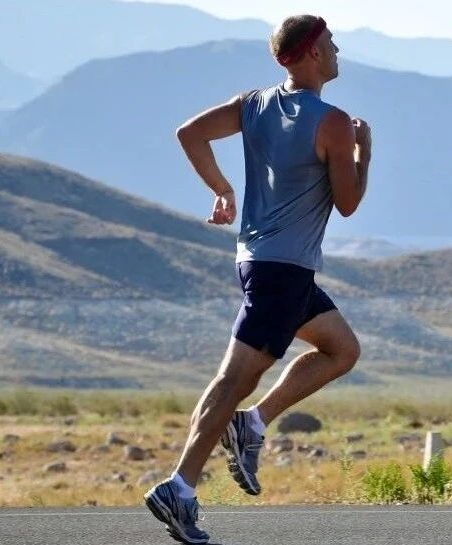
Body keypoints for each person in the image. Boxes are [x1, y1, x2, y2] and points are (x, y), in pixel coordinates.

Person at [143, 14, 370, 544]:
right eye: (331, 44)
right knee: (233, 379)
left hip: (262, 263)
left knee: (341, 349)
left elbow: (190, 133)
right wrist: (365, 151)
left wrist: (222, 189)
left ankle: (253, 423)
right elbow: (349, 202)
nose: (337, 51)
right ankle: (180, 487)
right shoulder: (333, 122)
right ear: (313, 52)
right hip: (282, 271)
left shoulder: (254, 103)